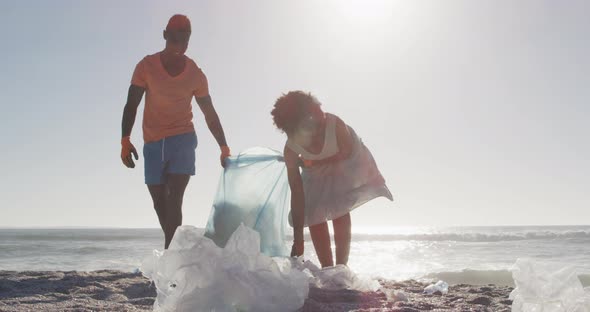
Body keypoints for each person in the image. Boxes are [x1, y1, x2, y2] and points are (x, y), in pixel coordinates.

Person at [120, 14, 230, 249]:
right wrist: (125, 139)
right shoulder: (146, 66)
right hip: (152, 141)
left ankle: (171, 255)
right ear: (165, 36)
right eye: (176, 38)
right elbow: (132, 104)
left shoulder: (195, 74)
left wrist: (223, 145)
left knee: (174, 198)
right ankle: (177, 246)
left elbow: (209, 113)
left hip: (183, 138)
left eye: (186, 38)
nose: (181, 44)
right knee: (159, 200)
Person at [271, 91, 393, 267]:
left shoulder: (335, 125)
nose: (320, 112)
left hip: (349, 161)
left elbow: (345, 156)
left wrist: (310, 162)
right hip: (315, 171)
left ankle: (342, 265)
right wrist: (298, 241)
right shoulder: (291, 149)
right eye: (313, 112)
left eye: (318, 108)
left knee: (338, 204)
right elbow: (297, 195)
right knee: (314, 211)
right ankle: (327, 268)